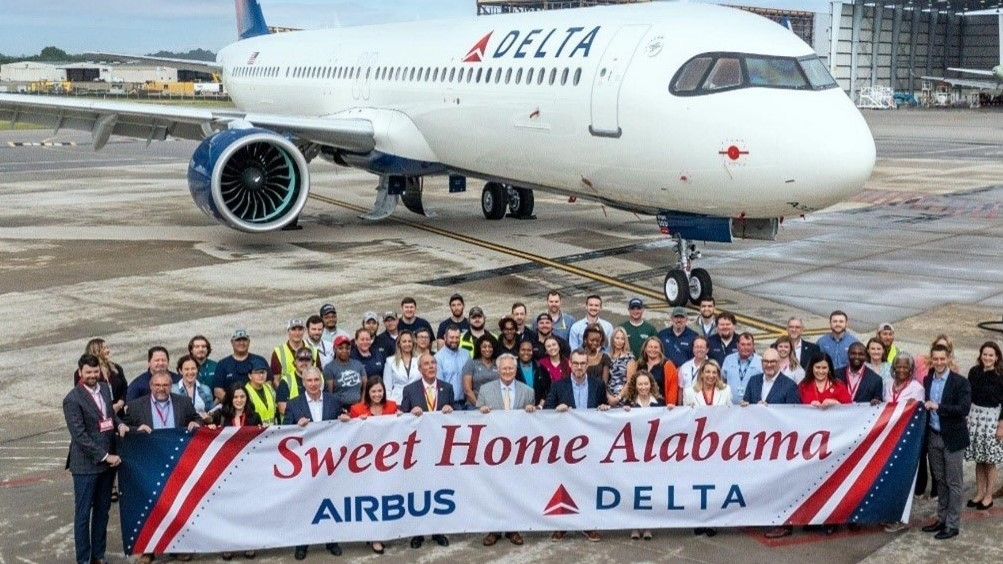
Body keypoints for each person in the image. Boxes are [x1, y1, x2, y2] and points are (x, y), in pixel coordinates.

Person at [122, 372, 201, 564]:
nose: (161, 389)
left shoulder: (183, 402)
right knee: (152, 506)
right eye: (157, 385)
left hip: (177, 461)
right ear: (150, 386)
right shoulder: (135, 406)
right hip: (148, 463)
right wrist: (135, 430)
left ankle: (179, 546)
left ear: (170, 386)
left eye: (165, 385)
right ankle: (149, 549)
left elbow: (197, 418)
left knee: (179, 504)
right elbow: (123, 428)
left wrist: (195, 422)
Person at [64, 354, 128, 564]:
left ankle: (98, 555)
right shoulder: (72, 399)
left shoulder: (104, 389)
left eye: (95, 371)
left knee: (103, 511)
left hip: (108, 465)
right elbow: (80, 436)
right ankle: (83, 559)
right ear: (80, 372)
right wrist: (105, 456)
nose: (92, 375)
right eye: (88, 372)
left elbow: (109, 415)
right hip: (86, 465)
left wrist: (119, 424)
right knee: (83, 515)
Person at [283, 367, 349, 559]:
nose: (313, 384)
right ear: (303, 383)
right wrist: (296, 427)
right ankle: (303, 543)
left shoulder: (334, 401)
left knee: (329, 502)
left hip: (330, 461)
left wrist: (345, 420)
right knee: (304, 502)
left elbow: (343, 423)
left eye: (316, 380)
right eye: (309, 381)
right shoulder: (294, 404)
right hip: (305, 463)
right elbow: (284, 432)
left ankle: (331, 540)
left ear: (321, 381)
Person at [546, 349, 609, 542]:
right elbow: (547, 411)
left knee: (588, 484)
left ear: (588, 365)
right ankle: (561, 525)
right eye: (576, 363)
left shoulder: (598, 385)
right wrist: (556, 410)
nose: (579, 367)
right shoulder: (558, 386)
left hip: (591, 445)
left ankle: (588, 525)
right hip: (566, 446)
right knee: (564, 484)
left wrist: (605, 408)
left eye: (583, 363)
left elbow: (603, 407)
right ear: (570, 365)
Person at [475, 353, 535, 547]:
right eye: (504, 369)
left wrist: (531, 411)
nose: (508, 371)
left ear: (515, 370)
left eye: (511, 368)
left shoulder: (528, 391)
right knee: (493, 490)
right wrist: (481, 411)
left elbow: (534, 423)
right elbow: (474, 419)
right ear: (498, 370)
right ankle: (493, 529)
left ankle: (513, 529)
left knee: (515, 489)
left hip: (518, 451)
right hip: (492, 450)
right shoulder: (485, 389)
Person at [740, 349, 800, 539]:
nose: (769, 365)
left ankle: (784, 524)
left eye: (773, 362)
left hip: (780, 444)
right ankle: (764, 516)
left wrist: (771, 411)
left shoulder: (789, 386)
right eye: (765, 361)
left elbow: (794, 415)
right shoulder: (754, 381)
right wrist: (745, 406)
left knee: (781, 485)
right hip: (757, 443)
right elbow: (747, 404)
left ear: (779, 363)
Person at [400, 354, 454, 549]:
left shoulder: (447, 388)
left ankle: (438, 530)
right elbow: (401, 420)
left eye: (433, 363)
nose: (431, 367)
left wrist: (451, 409)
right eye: (426, 364)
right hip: (418, 450)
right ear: (420, 368)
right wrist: (409, 414)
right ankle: (418, 532)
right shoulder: (410, 389)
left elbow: (455, 418)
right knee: (418, 490)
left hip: (440, 449)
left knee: (438, 488)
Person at [920, 344, 971, 540]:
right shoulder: (927, 380)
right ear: (931, 360)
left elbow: (964, 408)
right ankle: (941, 519)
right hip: (934, 436)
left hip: (953, 438)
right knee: (939, 481)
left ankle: (952, 524)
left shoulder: (960, 382)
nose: (939, 363)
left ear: (948, 358)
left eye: (943, 359)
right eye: (936, 359)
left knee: (954, 483)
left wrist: (938, 406)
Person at [347, 378, 397, 554]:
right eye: (373, 391)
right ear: (367, 393)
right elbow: (349, 435)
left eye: (380, 391)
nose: (377, 395)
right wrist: (354, 422)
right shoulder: (357, 409)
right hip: (365, 462)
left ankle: (382, 532)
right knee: (370, 498)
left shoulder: (392, 407)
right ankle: (374, 536)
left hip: (388, 461)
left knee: (385, 496)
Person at [882, 353, 926, 533]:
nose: (901, 370)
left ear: (911, 369)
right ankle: (887, 513)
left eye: (905, 367)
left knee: (902, 480)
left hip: (905, 440)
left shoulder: (916, 388)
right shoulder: (887, 384)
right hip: (886, 440)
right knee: (887, 479)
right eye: (898, 366)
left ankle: (899, 517)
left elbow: (919, 414)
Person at [619, 369, 662, 541]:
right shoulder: (628, 404)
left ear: (650, 385)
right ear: (635, 386)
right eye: (640, 384)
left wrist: (671, 411)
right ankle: (634, 526)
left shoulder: (659, 404)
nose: (643, 387)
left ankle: (648, 525)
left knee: (649, 489)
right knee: (633, 489)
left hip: (653, 454)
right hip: (633, 453)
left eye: (646, 383)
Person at [964, 342, 1003, 510]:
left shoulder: (1001, 375)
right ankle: (979, 492)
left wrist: (1001, 426)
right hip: (975, 417)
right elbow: (968, 394)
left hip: (993, 419)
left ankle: (988, 495)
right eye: (984, 354)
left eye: (991, 355)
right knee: (979, 459)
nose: (987, 358)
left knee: (990, 460)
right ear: (980, 355)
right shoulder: (974, 372)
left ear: (996, 357)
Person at [73, 338, 127, 417]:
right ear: (96, 351)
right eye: (104, 348)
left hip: (118, 413)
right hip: (96, 416)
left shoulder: (116, 368)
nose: (108, 350)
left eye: (107, 348)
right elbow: (82, 394)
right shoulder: (83, 373)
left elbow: (125, 388)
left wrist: (120, 403)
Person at [212, 329, 268, 402]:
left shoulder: (260, 360)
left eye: (244, 340)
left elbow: (268, 382)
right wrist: (234, 403)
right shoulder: (222, 364)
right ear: (232, 342)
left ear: (249, 342)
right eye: (238, 340)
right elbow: (218, 390)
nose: (241, 343)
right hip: (233, 408)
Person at [324, 335, 366, 408]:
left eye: (347, 348)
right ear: (334, 349)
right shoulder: (329, 368)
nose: (344, 351)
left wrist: (362, 404)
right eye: (340, 348)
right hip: (340, 407)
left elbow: (365, 387)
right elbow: (329, 393)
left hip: (358, 406)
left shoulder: (358, 364)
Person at [271, 319, 317, 385]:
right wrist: (283, 392)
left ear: (304, 331)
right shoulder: (278, 352)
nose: (297, 333)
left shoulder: (314, 350)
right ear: (288, 331)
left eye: (300, 329)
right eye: (293, 329)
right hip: (288, 393)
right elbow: (276, 379)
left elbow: (319, 374)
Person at [636, 336, 680, 406]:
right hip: (641, 405)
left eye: (656, 347)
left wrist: (670, 405)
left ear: (660, 349)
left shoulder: (668, 365)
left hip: (661, 406)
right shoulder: (640, 364)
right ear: (645, 349)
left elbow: (672, 388)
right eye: (650, 347)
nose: (652, 349)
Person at [721, 333, 763, 405]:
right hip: (730, 406)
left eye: (748, 344)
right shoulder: (728, 359)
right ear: (737, 345)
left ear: (753, 346)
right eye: (743, 344)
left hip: (752, 406)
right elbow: (723, 380)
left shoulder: (761, 361)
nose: (745, 347)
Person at [172, 355, 214, 422]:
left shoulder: (206, 389)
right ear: (180, 371)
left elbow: (211, 414)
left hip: (201, 428)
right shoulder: (172, 390)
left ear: (197, 369)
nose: (190, 372)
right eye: (186, 369)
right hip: (181, 429)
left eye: (193, 368)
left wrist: (209, 418)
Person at [436, 325, 469, 409]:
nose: (454, 340)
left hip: (467, 403)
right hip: (449, 405)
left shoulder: (466, 354)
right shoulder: (438, 358)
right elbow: (439, 385)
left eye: (457, 337)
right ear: (445, 337)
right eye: (451, 337)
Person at [383, 330, 420, 403]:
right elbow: (387, 387)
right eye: (404, 341)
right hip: (398, 400)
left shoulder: (419, 359)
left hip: (417, 400)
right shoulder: (390, 361)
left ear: (413, 343)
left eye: (410, 341)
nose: (407, 344)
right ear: (399, 343)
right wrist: (389, 404)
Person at [462, 334, 500, 407]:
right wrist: (479, 406)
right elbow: (467, 390)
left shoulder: (498, 363)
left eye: (490, 346)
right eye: (484, 346)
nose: (487, 349)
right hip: (474, 405)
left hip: (495, 406)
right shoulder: (471, 363)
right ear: (479, 348)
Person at [277, 347, 312, 418]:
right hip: (293, 425)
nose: (304, 363)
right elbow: (282, 408)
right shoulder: (286, 381)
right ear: (295, 362)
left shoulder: (320, 378)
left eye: (307, 360)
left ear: (312, 362)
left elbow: (326, 402)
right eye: (301, 360)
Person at [607, 327, 636, 405]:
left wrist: (618, 398)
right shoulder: (607, 357)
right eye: (617, 338)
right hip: (608, 398)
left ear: (625, 341)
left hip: (624, 399)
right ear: (613, 339)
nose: (619, 341)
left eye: (622, 339)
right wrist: (608, 397)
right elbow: (604, 380)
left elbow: (630, 381)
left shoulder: (629, 357)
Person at [244, 358, 278, 425]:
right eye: (257, 372)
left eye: (263, 372)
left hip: (272, 431)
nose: (261, 375)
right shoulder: (245, 391)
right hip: (256, 431)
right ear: (249, 376)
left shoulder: (269, 388)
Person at [516, 340, 550, 407]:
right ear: (518, 351)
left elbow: (548, 388)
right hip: (518, 409)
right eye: (523, 350)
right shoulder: (512, 367)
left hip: (537, 410)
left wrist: (540, 405)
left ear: (532, 352)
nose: (526, 352)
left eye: (529, 350)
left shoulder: (540, 367)